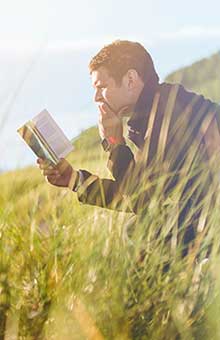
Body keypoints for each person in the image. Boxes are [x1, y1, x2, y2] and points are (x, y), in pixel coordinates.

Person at [37, 40, 220, 256]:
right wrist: (73, 180)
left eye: (101, 87)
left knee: (141, 229)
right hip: (208, 215)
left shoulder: (170, 113)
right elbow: (140, 191)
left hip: (212, 220)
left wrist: (115, 143)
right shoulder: (156, 110)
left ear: (130, 79)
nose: (96, 98)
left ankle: (197, 280)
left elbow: (143, 202)